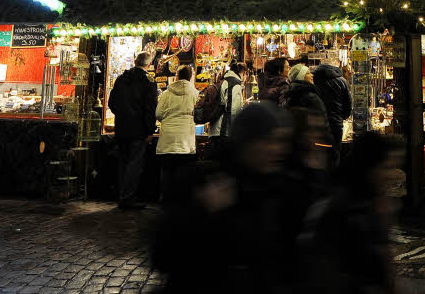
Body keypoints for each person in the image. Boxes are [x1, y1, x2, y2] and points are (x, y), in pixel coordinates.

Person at [153, 103, 295, 294]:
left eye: (282, 142)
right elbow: (164, 254)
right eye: (270, 141)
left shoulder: (279, 185)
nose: (278, 150)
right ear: (249, 141)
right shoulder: (205, 181)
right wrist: (202, 212)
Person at [300, 133, 404, 294]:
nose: (391, 175)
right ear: (369, 166)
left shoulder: (372, 201)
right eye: (386, 167)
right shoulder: (340, 207)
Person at [108, 51, 158, 210]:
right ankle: (128, 198)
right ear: (149, 65)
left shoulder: (121, 79)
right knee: (134, 165)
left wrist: (122, 116)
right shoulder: (148, 82)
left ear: (135, 61)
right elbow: (150, 108)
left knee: (123, 163)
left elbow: (112, 103)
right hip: (138, 130)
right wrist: (150, 130)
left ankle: (122, 196)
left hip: (121, 128)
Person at [156, 65, 198, 204]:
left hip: (168, 137)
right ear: (191, 77)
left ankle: (165, 198)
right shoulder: (195, 93)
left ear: (177, 76)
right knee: (184, 171)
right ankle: (181, 199)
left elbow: (158, 114)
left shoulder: (167, 93)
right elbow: (198, 115)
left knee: (167, 170)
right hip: (186, 139)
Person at [313, 62, 353, 165]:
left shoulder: (314, 81)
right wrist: (342, 117)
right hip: (336, 123)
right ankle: (334, 172)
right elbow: (348, 104)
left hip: (318, 123)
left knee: (320, 150)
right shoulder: (342, 81)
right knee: (335, 151)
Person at [207, 62, 245, 138]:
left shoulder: (222, 81)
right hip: (224, 131)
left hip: (214, 130)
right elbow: (235, 110)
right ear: (243, 73)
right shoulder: (235, 84)